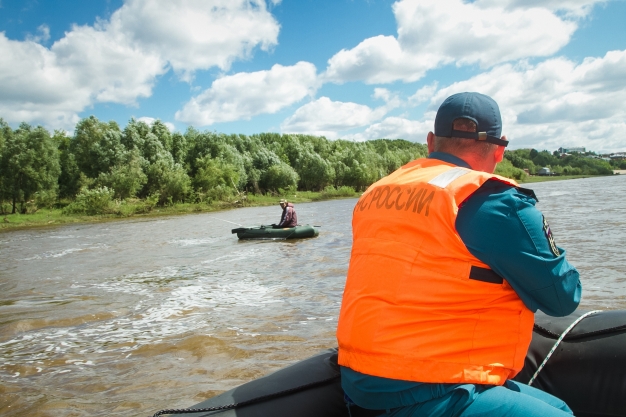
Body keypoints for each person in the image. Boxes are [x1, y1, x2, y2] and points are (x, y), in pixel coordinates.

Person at [336, 92, 582, 417]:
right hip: (426, 387)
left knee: (557, 406)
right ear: (500, 148)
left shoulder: (376, 192)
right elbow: (562, 298)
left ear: (430, 141)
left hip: (360, 379)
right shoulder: (491, 200)